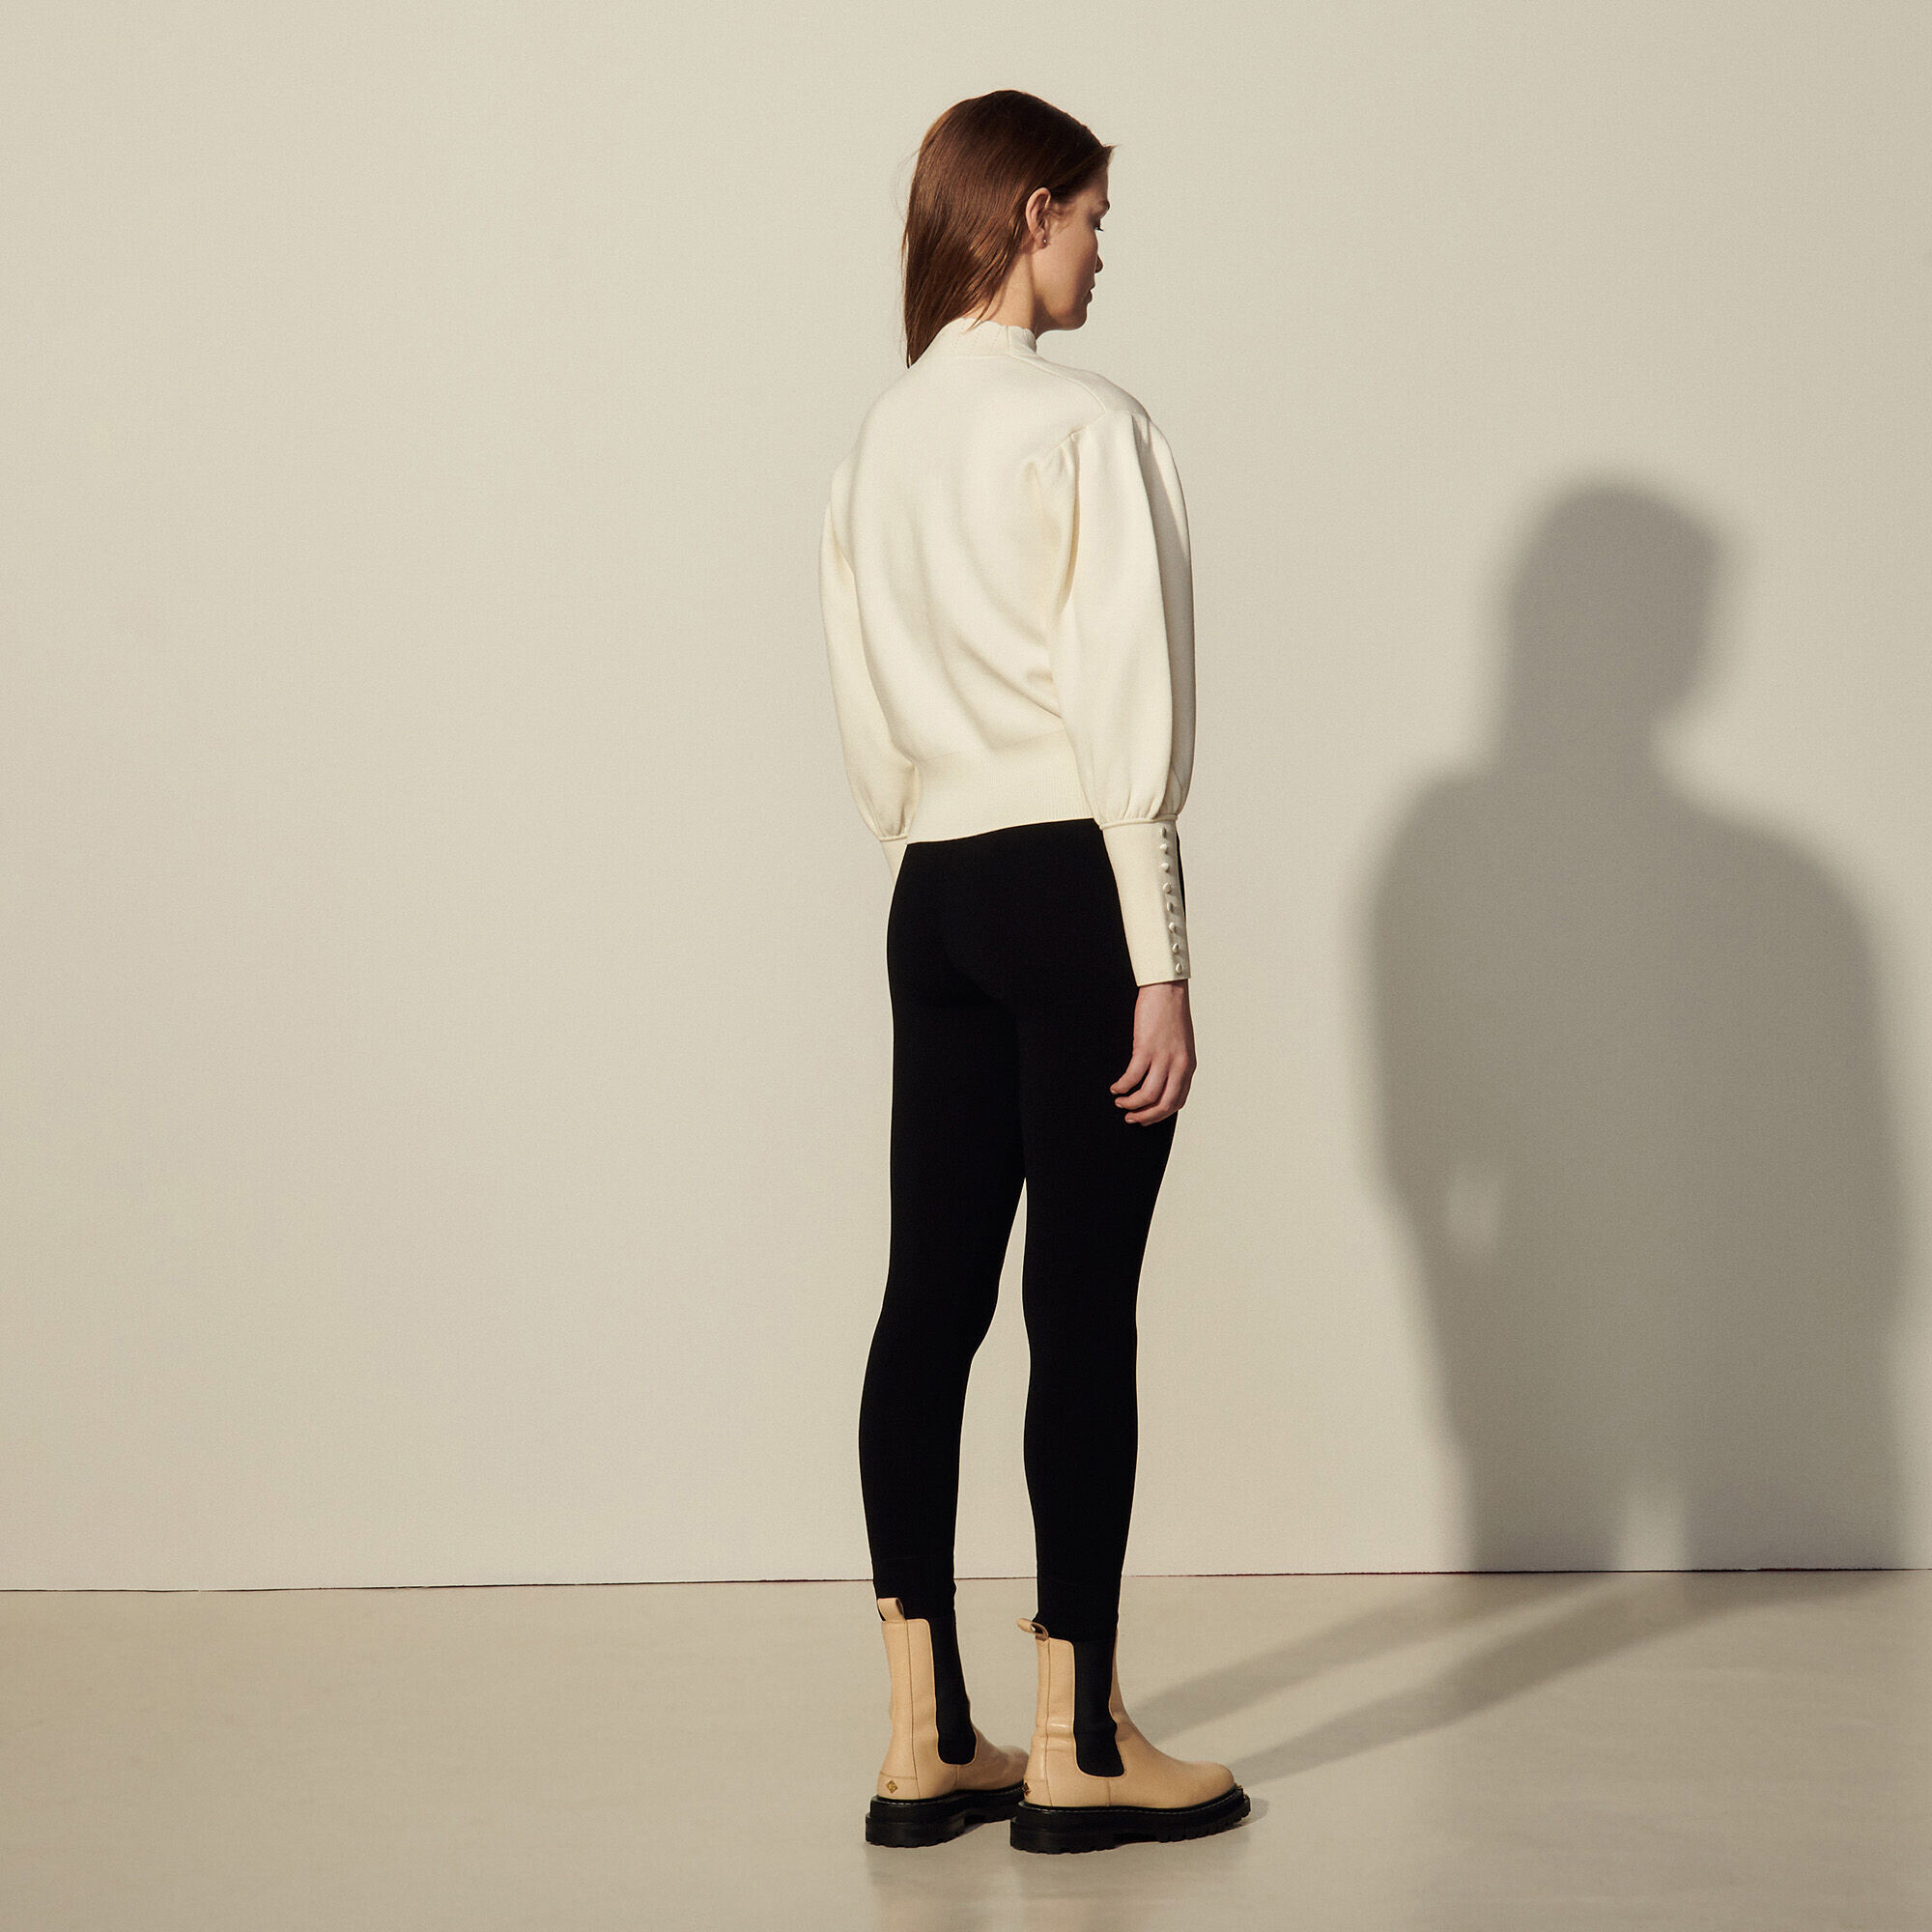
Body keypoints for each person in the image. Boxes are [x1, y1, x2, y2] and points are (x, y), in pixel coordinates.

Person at [818, 89, 1249, 1855]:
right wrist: (1159, 954)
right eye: (1091, 220)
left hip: (932, 893)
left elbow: (868, 715)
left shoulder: (877, 445)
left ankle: (924, 1737)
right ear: (1030, 214)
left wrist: (940, 862)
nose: (1100, 253)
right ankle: (1079, 1744)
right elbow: (1125, 705)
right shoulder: (1087, 428)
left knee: (929, 1299)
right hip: (1073, 885)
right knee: (1081, 1307)